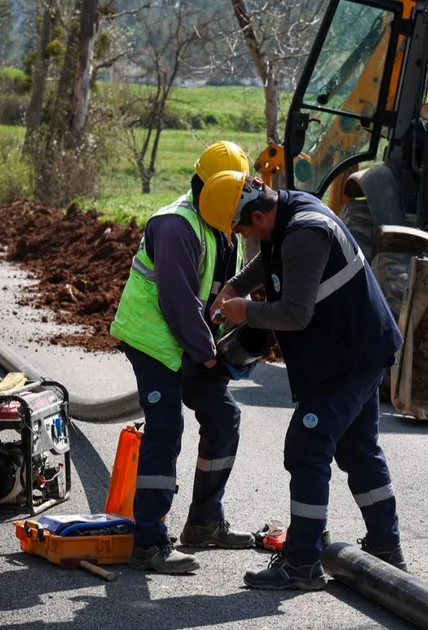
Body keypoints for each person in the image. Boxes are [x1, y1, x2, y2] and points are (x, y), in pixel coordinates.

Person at [202, 170, 406, 591]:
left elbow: (295, 314)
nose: (242, 236)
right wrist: (235, 286)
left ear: (258, 217)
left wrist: (245, 311)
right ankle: (386, 548)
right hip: (354, 349)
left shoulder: (305, 234)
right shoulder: (285, 211)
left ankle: (302, 562)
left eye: (241, 229)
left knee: (307, 446)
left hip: (350, 357)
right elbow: (269, 261)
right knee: (357, 449)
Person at [108, 141, 259, 575]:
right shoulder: (176, 225)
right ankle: (149, 541)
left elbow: (217, 293)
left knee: (223, 417)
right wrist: (209, 357)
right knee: (165, 428)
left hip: (190, 342)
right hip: (153, 341)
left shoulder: (220, 225)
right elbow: (178, 304)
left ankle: (204, 522)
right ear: (208, 187)